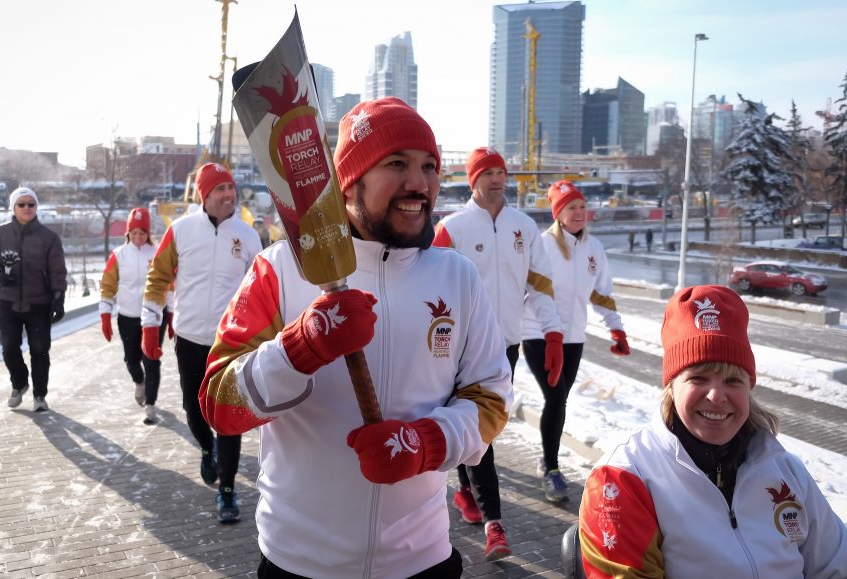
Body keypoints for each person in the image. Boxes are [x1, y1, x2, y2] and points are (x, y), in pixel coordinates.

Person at [200, 97, 513, 579]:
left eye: (429, 165)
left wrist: (426, 442)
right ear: (350, 180)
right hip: (299, 562)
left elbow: (491, 397)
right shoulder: (281, 268)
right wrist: (300, 348)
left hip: (423, 558)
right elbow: (220, 404)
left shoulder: (457, 277)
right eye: (396, 164)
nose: (419, 183)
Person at [578, 285, 847, 578]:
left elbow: (841, 569)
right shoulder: (623, 478)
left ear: (749, 388)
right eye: (699, 378)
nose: (717, 396)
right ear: (671, 385)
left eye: (733, 380)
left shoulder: (785, 470)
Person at [433, 146, 563, 561]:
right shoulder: (452, 228)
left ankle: (467, 488)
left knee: (481, 429)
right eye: (486, 172)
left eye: (500, 172)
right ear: (472, 180)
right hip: (459, 347)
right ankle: (495, 524)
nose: (495, 179)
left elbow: (540, 287)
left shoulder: (524, 227)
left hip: (506, 345)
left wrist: (554, 332)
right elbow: (429, 285)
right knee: (479, 429)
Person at [141, 162, 262, 523]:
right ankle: (206, 448)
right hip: (190, 336)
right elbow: (158, 276)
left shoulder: (248, 236)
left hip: (230, 342)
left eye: (231, 188)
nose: (229, 195)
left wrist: (259, 332)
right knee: (195, 411)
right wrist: (151, 325)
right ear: (203, 196)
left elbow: (262, 287)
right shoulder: (180, 231)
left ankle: (227, 491)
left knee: (230, 416)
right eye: (219, 190)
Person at [521, 180, 630, 502]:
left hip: (573, 337)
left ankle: (547, 456)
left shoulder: (593, 248)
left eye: (583, 207)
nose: (580, 212)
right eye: (572, 207)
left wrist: (616, 329)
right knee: (555, 399)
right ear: (558, 212)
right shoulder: (542, 245)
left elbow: (600, 293)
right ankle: (552, 468)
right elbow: (526, 289)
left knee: (559, 400)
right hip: (538, 333)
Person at [0, 186, 67, 412]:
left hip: (39, 303)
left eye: (31, 204)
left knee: (39, 350)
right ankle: (19, 383)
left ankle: (40, 395)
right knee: (9, 347)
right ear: (13, 207)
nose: (27, 208)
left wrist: (58, 298)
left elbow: (58, 270)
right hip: (8, 303)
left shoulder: (49, 237)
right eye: (22, 204)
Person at [98, 207, 170, 424]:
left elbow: (170, 284)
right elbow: (108, 286)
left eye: (143, 233)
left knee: (152, 359)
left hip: (155, 314)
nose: (138, 237)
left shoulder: (158, 254)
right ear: (128, 233)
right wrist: (105, 313)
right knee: (131, 360)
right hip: (128, 315)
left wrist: (173, 312)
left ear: (148, 234)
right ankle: (139, 382)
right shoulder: (118, 255)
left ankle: (150, 404)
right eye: (134, 233)